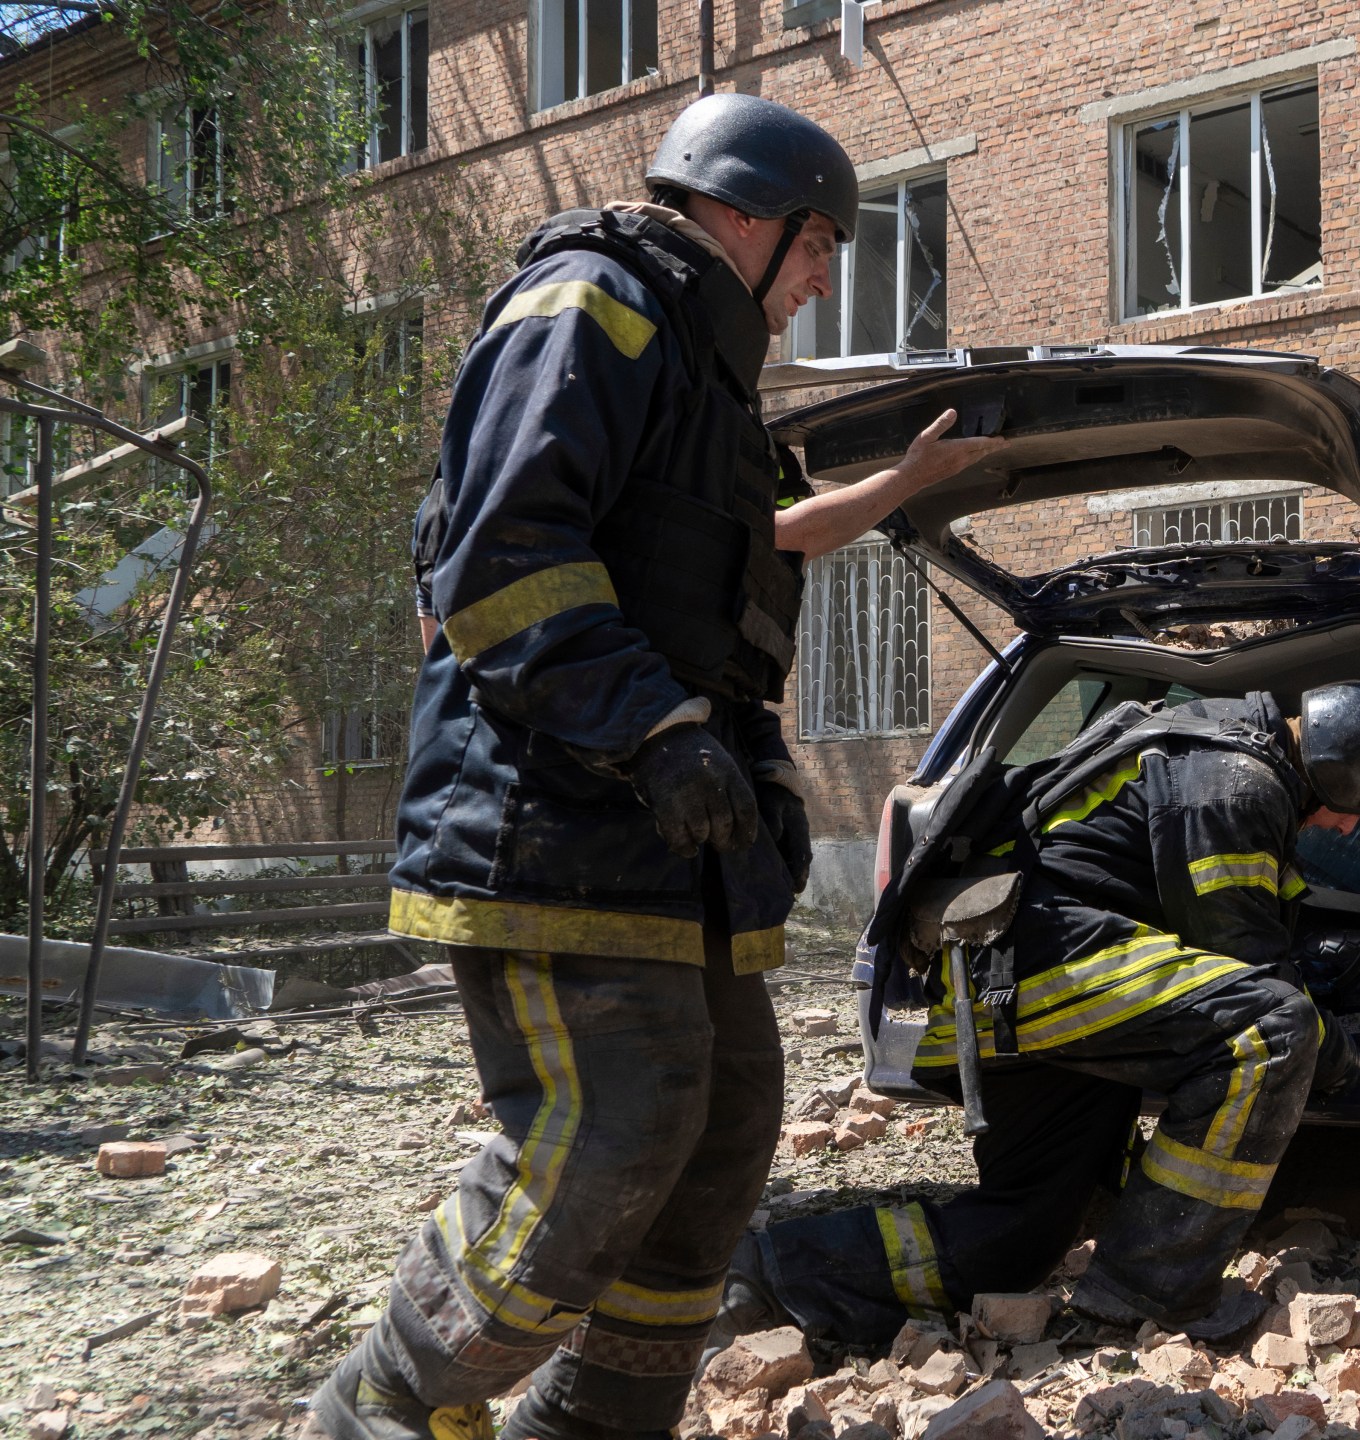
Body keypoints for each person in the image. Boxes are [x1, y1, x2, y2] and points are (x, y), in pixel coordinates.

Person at [320, 93, 1001, 1440]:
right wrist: (659, 727)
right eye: (819, 250)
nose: (818, 284)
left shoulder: (699, 374)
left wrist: (903, 482)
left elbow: (764, 536)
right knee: (612, 1132)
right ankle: (381, 1411)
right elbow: (504, 551)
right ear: (748, 212)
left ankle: (596, 1424)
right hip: (555, 821)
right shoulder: (594, 305)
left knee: (723, 1135)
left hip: (674, 842)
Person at [715, 681, 1360, 1348]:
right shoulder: (1238, 781)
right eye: (1351, 809)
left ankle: (773, 1271)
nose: (1339, 824)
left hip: (990, 976)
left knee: (1019, 1239)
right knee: (1271, 1029)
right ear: (1336, 771)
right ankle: (1152, 1293)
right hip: (1037, 961)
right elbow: (1248, 968)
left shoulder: (1209, 745)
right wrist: (1343, 1057)